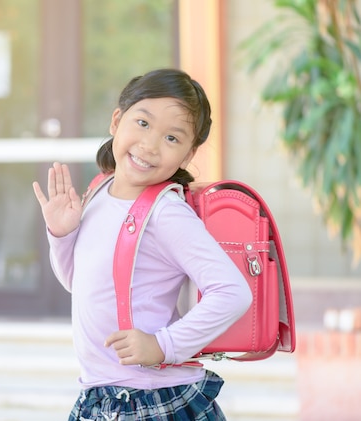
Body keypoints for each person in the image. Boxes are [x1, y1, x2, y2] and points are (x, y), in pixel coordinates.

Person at [32, 68, 252, 420]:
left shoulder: (167, 213)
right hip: (103, 395)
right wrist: (62, 235)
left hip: (149, 399)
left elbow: (233, 292)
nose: (150, 145)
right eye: (143, 123)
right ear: (117, 120)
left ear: (188, 154)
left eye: (172, 138)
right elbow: (80, 284)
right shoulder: (100, 190)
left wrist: (162, 345)